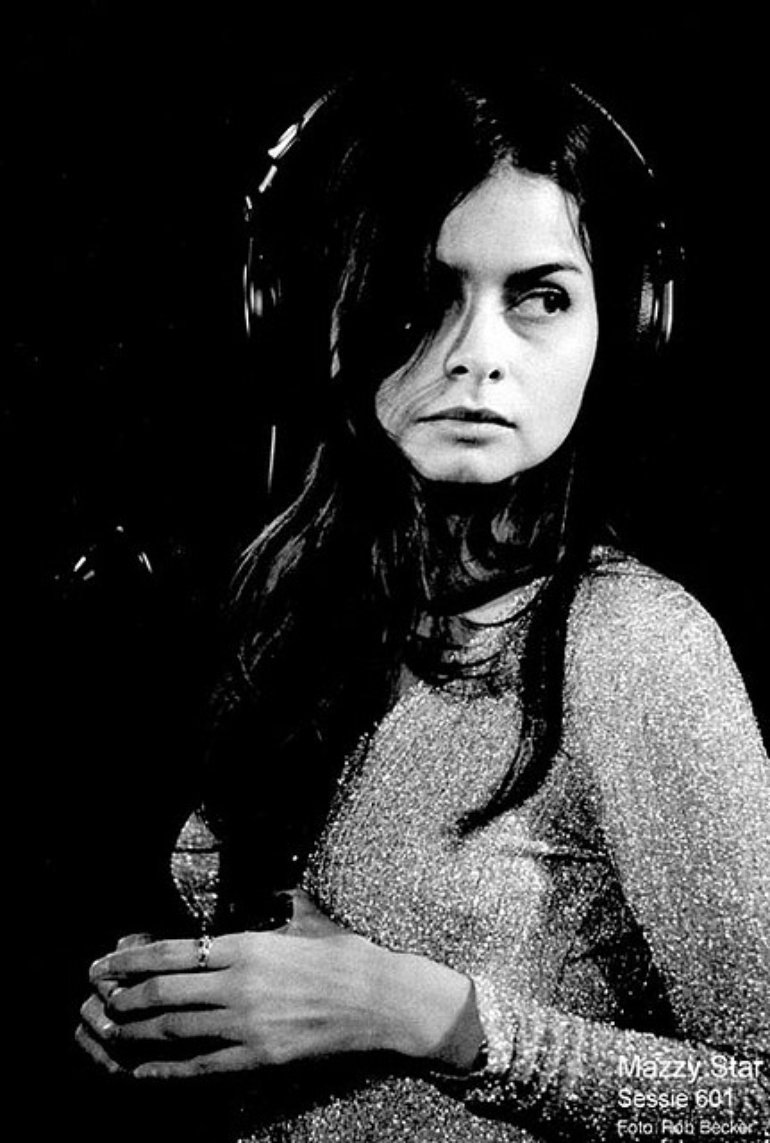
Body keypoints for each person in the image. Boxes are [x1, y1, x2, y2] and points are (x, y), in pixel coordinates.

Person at [75, 67, 770, 1141]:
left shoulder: (633, 644)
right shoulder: (297, 606)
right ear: (315, 306)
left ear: (623, 324)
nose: (477, 356)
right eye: (421, 293)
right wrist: (172, 1010)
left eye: (540, 297)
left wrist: (422, 1014)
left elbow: (755, 1099)